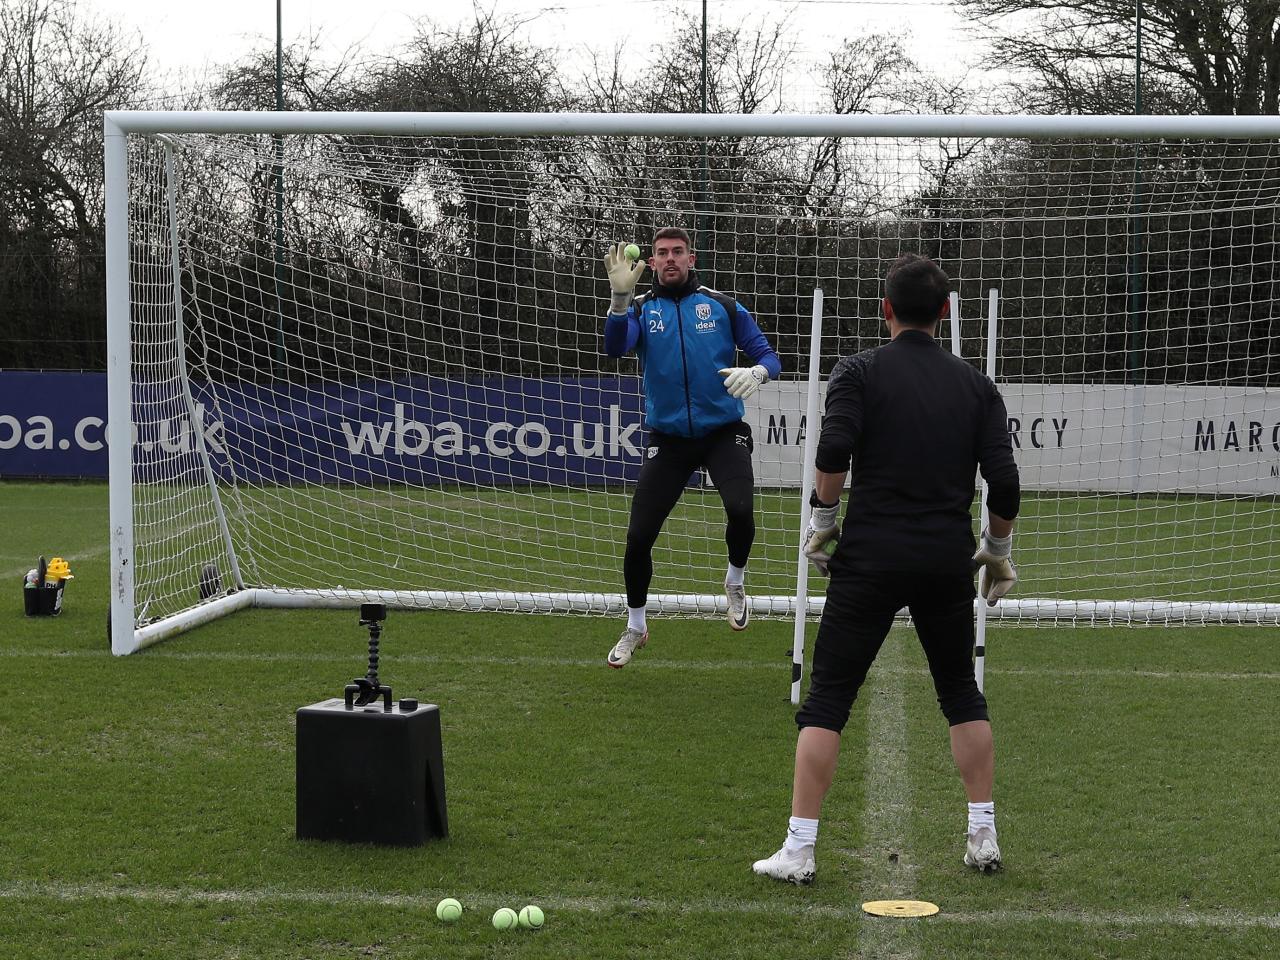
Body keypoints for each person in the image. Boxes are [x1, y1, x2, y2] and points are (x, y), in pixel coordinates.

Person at [751, 252, 1020, 883]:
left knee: (828, 700)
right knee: (961, 692)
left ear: (885, 310)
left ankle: (800, 847)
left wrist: (822, 522)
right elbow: (1005, 484)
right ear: (945, 311)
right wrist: (997, 551)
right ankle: (983, 835)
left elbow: (832, 454)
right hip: (944, 560)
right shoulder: (976, 385)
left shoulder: (858, 371)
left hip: (870, 558)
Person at [601, 226, 782, 668]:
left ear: (691, 259)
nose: (670, 259)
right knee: (638, 536)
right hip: (669, 440)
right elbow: (614, 348)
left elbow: (769, 355)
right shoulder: (641, 309)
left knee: (741, 508)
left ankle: (735, 582)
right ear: (652, 262)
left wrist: (757, 373)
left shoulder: (722, 306)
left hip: (722, 432)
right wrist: (620, 300)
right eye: (662, 253)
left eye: (677, 252)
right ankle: (636, 625)